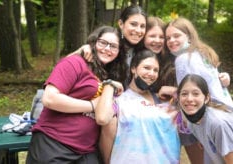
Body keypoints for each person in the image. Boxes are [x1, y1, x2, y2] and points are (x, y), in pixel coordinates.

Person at [26, 26, 127, 163]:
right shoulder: (75, 62)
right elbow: (50, 98)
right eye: (103, 43)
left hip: (86, 151)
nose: (107, 49)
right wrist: (91, 105)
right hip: (54, 144)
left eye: (114, 46)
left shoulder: (109, 76)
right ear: (94, 41)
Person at [164, 17, 233, 163]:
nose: (171, 40)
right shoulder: (204, 53)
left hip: (211, 119)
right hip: (229, 114)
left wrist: (196, 130)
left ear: (189, 36)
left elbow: (189, 96)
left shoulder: (183, 59)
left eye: (176, 36)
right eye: (168, 38)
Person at [95, 49, 181, 164]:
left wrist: (174, 91)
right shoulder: (120, 101)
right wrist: (109, 85)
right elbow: (103, 122)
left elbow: (194, 102)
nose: (151, 73)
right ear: (133, 69)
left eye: (155, 70)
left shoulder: (165, 102)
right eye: (146, 68)